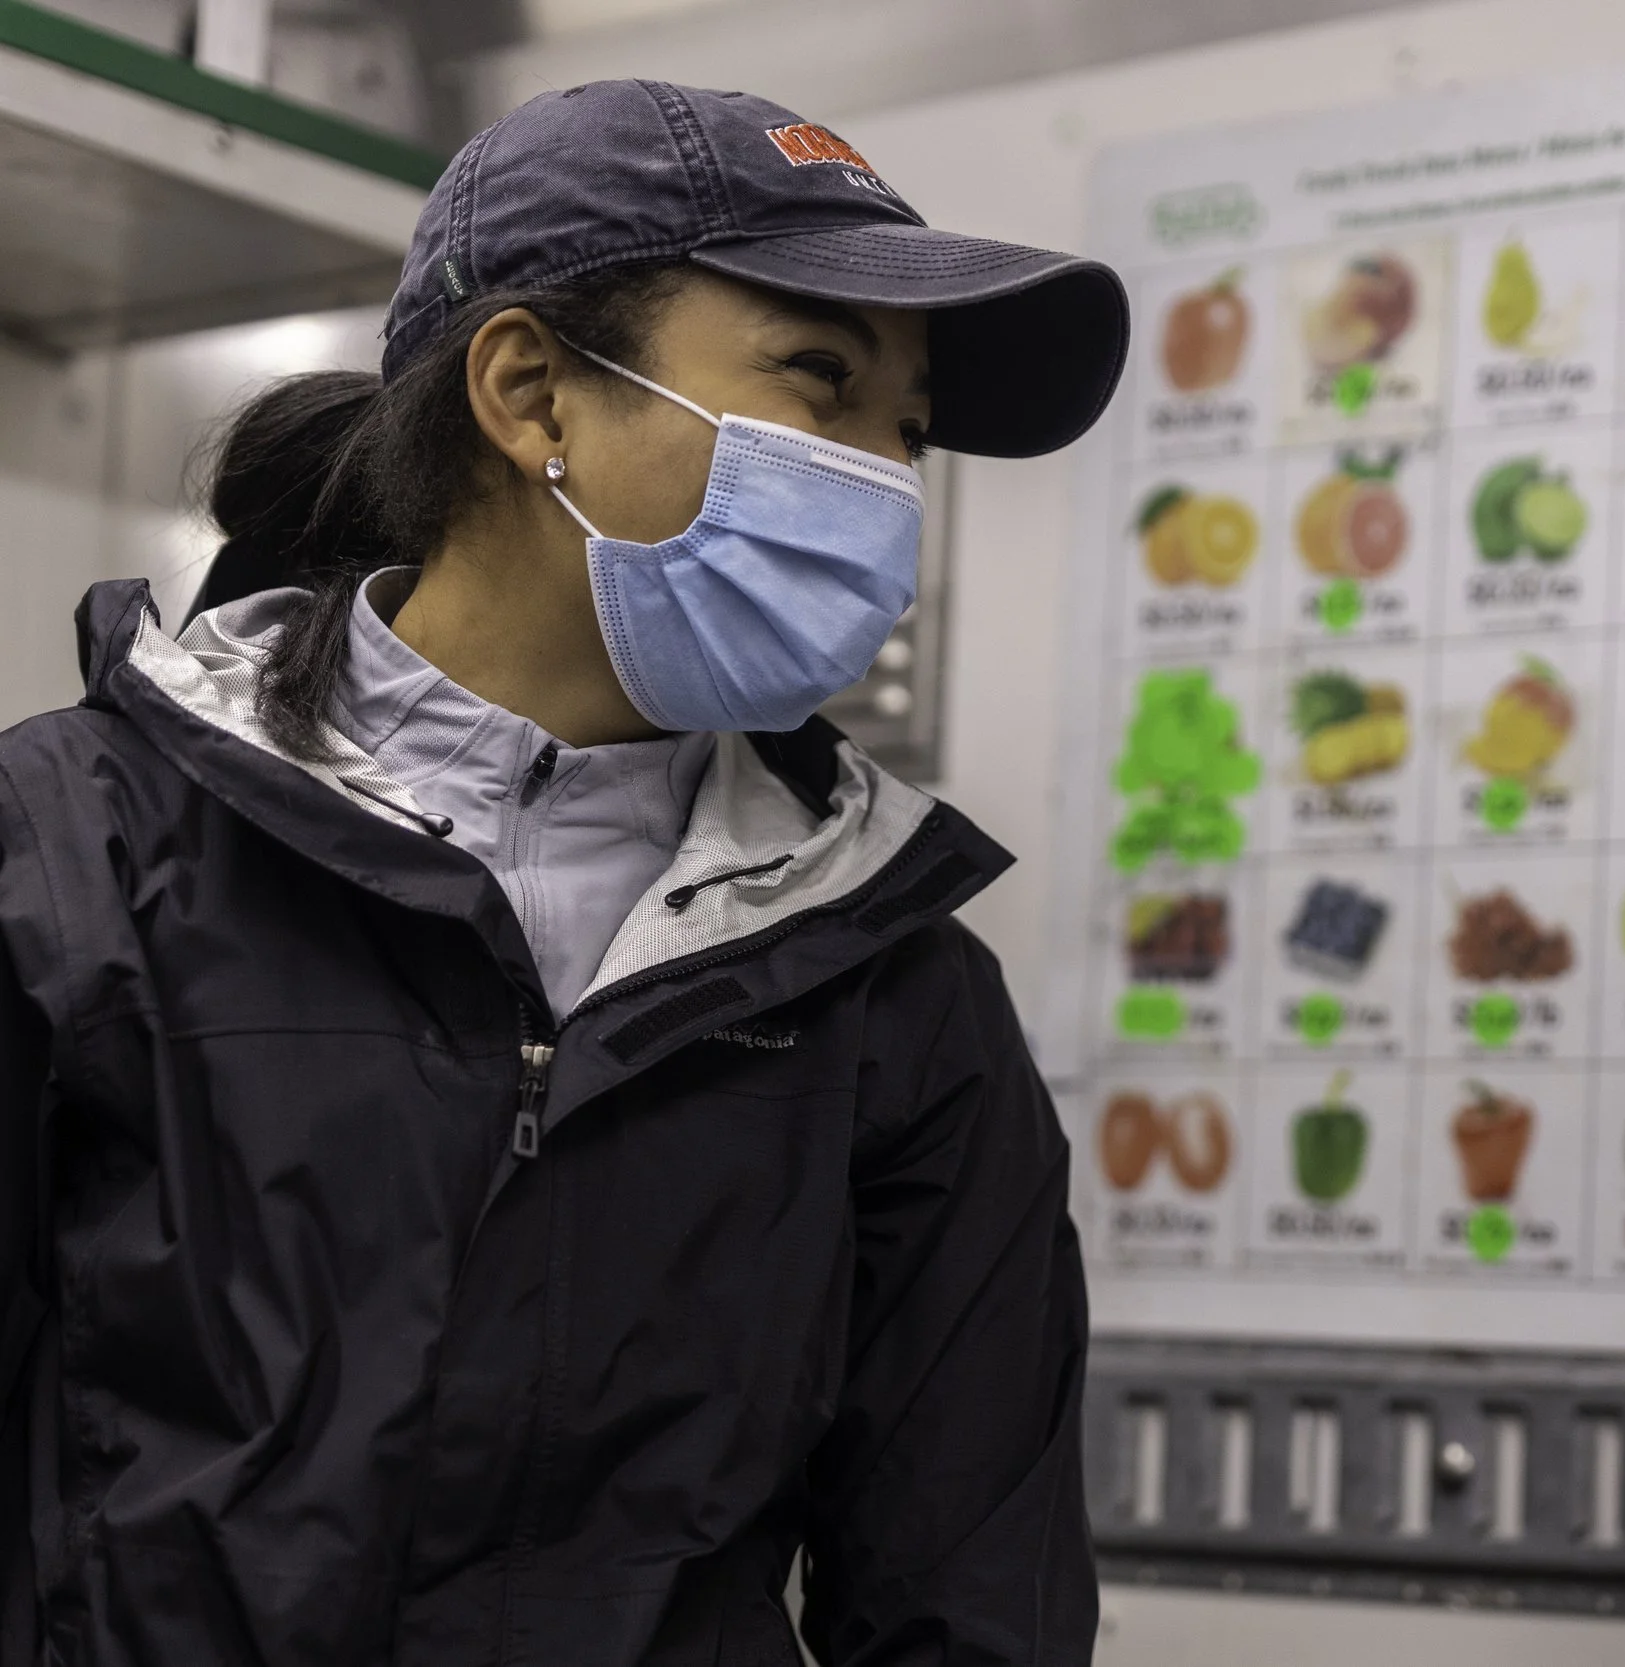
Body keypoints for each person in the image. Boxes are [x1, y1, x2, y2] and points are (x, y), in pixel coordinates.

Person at [0, 80, 1126, 1665]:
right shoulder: (72, 856)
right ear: (533, 393)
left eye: (909, 429)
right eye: (823, 381)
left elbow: (970, 1599)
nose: (885, 483)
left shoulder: (896, 986)